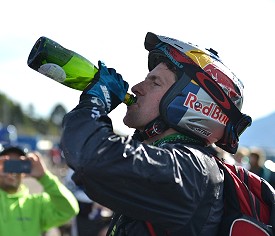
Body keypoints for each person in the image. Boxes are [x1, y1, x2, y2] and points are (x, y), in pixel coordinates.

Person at [60, 32, 252, 235]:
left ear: (192, 103)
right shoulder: (183, 163)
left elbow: (92, 160)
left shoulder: (193, 171)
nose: (136, 88)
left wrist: (96, 101)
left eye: (155, 82)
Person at [0, 145, 79, 236]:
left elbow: (69, 210)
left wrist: (44, 176)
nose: (12, 172)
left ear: (25, 169)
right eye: (6, 165)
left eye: (17, 165)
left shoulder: (38, 203)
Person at [64, 168, 112, 236]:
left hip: (103, 217)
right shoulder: (74, 168)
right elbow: (70, 192)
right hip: (82, 215)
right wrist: (94, 201)